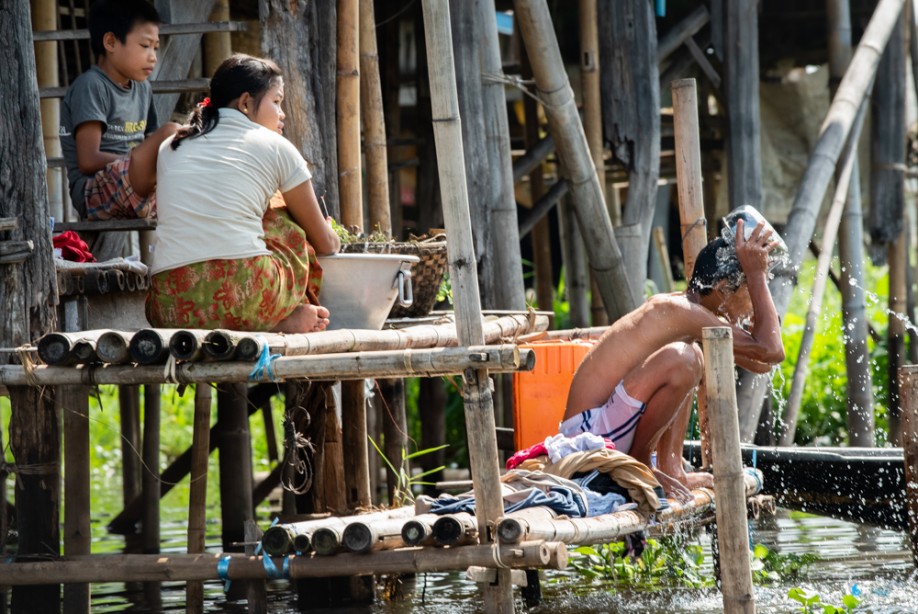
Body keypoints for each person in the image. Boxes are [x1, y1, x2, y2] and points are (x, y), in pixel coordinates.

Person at [559, 218, 786, 500]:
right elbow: (770, 349)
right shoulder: (679, 310)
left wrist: (755, 279)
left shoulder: (696, 318)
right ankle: (641, 465)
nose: (751, 304)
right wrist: (756, 274)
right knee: (687, 358)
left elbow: (764, 361)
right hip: (586, 439)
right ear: (724, 289)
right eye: (747, 294)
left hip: (605, 430)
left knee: (693, 354)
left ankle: (671, 466)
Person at [145, 54, 340, 334]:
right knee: (286, 221)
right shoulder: (275, 146)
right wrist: (329, 232)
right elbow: (326, 244)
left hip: (169, 306)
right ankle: (277, 320)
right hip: (249, 297)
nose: (282, 113)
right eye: (276, 101)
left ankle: (271, 321)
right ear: (246, 102)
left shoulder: (172, 146)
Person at [60, 0, 179, 223]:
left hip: (134, 180)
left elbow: (151, 140)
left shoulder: (143, 88)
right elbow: (87, 159)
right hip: (94, 189)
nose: (153, 56)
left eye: (156, 47)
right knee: (171, 131)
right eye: (145, 46)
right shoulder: (91, 86)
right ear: (111, 42)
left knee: (184, 144)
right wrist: (139, 160)